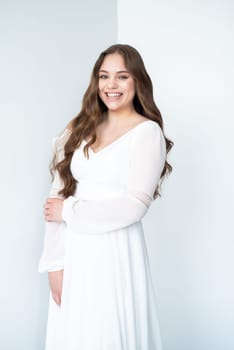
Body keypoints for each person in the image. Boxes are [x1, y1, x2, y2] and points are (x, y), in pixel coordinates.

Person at [39, 43, 173, 350]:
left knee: (108, 332)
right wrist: (54, 265)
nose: (111, 85)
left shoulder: (147, 133)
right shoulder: (79, 128)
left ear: (137, 81)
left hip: (116, 252)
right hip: (74, 253)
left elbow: (133, 207)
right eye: (104, 76)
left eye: (122, 76)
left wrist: (69, 212)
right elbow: (55, 198)